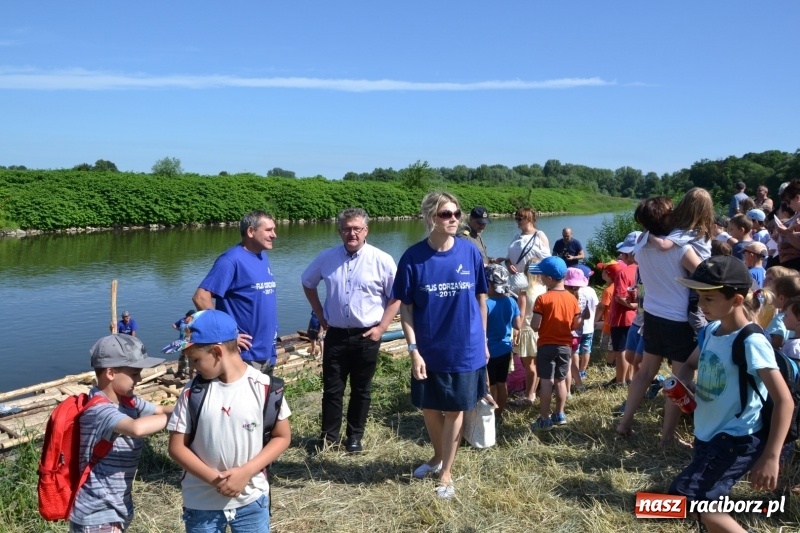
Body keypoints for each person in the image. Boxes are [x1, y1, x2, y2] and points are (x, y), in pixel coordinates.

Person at [670, 256, 792, 533]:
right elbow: (690, 366)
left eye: (709, 299)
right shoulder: (712, 330)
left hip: (735, 438)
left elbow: (785, 400)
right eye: (699, 297)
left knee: (688, 498)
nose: (701, 305)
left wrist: (771, 457)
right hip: (707, 434)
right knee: (709, 506)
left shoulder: (752, 341)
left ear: (736, 300)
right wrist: (685, 386)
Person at [392, 191, 488, 500]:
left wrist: (483, 340)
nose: (455, 219)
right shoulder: (413, 257)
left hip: (465, 347)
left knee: (455, 409)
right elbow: (406, 308)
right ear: (431, 217)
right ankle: (437, 456)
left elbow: (481, 299)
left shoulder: (470, 253)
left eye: (457, 213)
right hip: (429, 348)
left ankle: (446, 471)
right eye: (447, 214)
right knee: (430, 408)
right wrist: (413, 349)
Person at [167, 309, 291, 533]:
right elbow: (176, 447)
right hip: (201, 504)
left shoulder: (265, 387)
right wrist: (217, 481)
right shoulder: (191, 392)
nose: (193, 367)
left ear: (216, 351)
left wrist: (246, 472)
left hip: (252, 500)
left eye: (196, 359)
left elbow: (282, 436)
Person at [301, 207, 399, 453]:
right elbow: (307, 282)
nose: (351, 233)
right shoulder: (327, 258)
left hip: (367, 335)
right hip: (335, 334)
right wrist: (320, 314)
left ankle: (354, 437)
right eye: (346, 229)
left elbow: (397, 296)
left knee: (361, 390)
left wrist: (382, 328)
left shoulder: (381, 259)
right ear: (339, 231)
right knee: (332, 389)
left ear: (366, 230)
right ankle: (329, 438)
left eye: (357, 228)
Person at [617, 192, 705, 445]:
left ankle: (624, 423)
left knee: (644, 374)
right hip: (678, 320)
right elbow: (704, 275)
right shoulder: (681, 248)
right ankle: (667, 437)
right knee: (679, 380)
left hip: (652, 316)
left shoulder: (641, 245)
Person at [70, 335, 173, 532]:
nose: (140, 379)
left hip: (116, 507)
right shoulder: (99, 410)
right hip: (97, 512)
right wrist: (181, 420)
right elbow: (136, 429)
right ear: (110, 373)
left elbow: (159, 409)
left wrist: (191, 409)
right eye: (134, 374)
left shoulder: (127, 401)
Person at [193, 210, 279, 374]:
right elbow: (201, 297)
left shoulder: (262, 257)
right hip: (243, 356)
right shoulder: (230, 260)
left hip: (267, 350)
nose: (274, 235)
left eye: (274, 229)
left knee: (264, 399)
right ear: (251, 231)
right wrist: (227, 335)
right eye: (268, 230)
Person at [529, 257, 581, 430]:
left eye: (542, 276)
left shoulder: (542, 299)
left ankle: (544, 419)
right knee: (560, 381)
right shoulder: (572, 299)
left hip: (546, 345)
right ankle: (559, 414)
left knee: (546, 381)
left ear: (550, 278)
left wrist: (537, 324)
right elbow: (575, 324)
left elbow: (535, 325)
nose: (541, 279)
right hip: (565, 346)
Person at [505, 207, 550, 337]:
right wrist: (508, 264)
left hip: (531, 284)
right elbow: (508, 257)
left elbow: (546, 262)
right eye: (516, 218)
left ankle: (531, 349)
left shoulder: (539, 235)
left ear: (529, 219)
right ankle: (516, 351)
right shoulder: (516, 236)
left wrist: (529, 272)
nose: (517, 221)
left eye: (520, 218)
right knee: (514, 318)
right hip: (513, 284)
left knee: (527, 320)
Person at [484, 264, 521, 424]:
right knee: (502, 383)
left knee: (490, 385)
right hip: (506, 349)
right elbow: (517, 325)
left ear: (489, 284)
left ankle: (491, 415)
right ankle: (500, 414)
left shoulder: (485, 304)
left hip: (489, 351)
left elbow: (481, 329)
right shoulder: (511, 301)